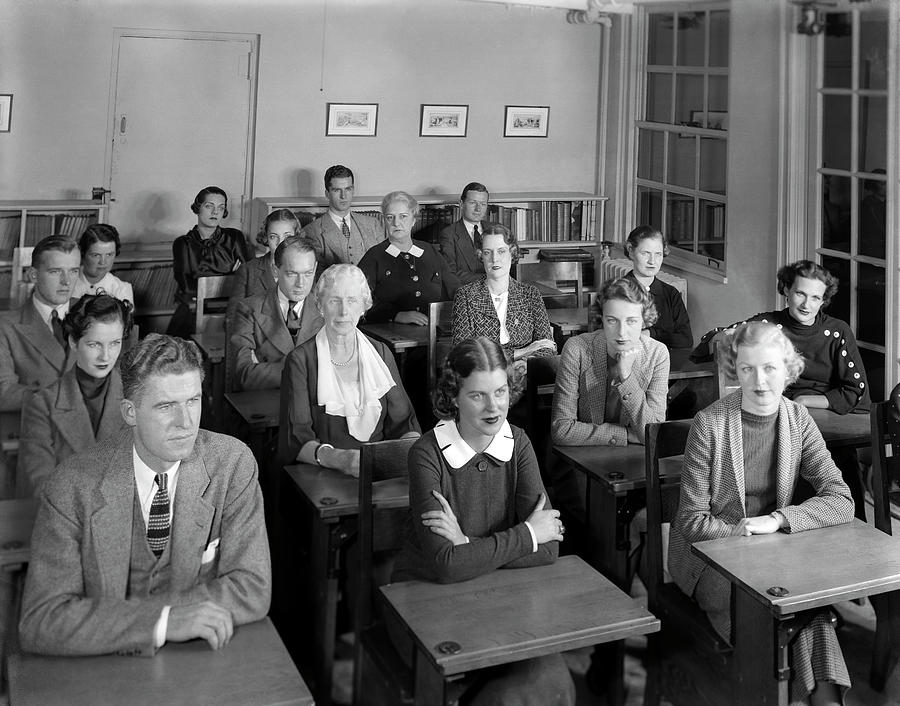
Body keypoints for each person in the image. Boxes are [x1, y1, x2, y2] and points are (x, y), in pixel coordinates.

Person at [19, 334, 271, 656]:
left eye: (192, 401)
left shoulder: (232, 465)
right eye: (166, 406)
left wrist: (115, 620)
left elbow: (252, 588)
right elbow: (43, 619)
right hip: (102, 668)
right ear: (129, 413)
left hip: (198, 658)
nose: (186, 422)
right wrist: (162, 621)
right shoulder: (71, 486)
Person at [670, 322, 853, 706]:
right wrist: (742, 534)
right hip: (713, 560)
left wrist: (778, 520)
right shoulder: (710, 424)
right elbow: (690, 522)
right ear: (734, 371)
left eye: (770, 368)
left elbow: (841, 499)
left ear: (788, 371)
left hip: (774, 554)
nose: (759, 381)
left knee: (810, 612)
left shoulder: (798, 418)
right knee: (778, 616)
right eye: (747, 369)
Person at [392, 337, 572, 705]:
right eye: (478, 396)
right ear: (453, 396)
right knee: (506, 693)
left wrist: (468, 548)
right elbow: (444, 565)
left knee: (552, 680)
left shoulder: (518, 443)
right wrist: (526, 534)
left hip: (499, 596)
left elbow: (550, 547)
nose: (494, 408)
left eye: (501, 392)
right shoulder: (426, 454)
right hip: (426, 600)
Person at [699, 260, 870, 518]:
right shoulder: (768, 325)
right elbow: (711, 341)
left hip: (825, 420)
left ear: (824, 300)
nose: (806, 304)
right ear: (786, 290)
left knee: (840, 465)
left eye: (815, 297)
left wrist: (805, 400)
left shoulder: (837, 332)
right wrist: (725, 337)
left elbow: (856, 391)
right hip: (773, 417)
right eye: (800, 293)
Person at [278, 264, 420, 476]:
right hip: (323, 475)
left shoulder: (381, 352)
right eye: (334, 300)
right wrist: (341, 460)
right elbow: (296, 440)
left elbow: (404, 424)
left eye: (352, 300)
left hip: (380, 474)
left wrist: (413, 451)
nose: (344, 311)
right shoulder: (300, 361)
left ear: (364, 306)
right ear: (320, 305)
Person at [18, 294, 133, 498]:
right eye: (94, 344)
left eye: (114, 343)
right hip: (66, 521)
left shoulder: (135, 396)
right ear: (73, 342)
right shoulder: (42, 404)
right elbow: (41, 488)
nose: (105, 356)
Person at [551, 277, 670, 448]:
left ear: (644, 321)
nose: (622, 332)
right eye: (612, 321)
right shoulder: (576, 348)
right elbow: (561, 431)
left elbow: (655, 435)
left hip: (634, 461)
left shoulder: (657, 354)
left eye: (631, 321)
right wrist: (626, 434)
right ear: (602, 319)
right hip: (581, 459)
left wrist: (626, 376)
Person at [451, 223, 555, 372]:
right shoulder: (466, 296)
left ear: (512, 253)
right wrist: (519, 353)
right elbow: (462, 354)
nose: (495, 259)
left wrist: (526, 363)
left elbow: (547, 345)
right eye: (488, 252)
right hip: (483, 376)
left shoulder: (531, 294)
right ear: (481, 255)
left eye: (501, 251)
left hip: (525, 374)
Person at [230, 236, 323, 391]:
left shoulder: (326, 309)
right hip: (266, 405)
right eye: (292, 274)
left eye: (308, 273)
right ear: (275, 269)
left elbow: (341, 371)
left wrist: (265, 369)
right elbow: (244, 374)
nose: (301, 284)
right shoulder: (249, 309)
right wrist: (309, 370)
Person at [0, 234, 79, 413]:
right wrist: (61, 397)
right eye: (56, 271)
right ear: (33, 275)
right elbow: (4, 394)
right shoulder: (5, 326)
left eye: (73, 271)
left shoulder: (95, 314)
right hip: (34, 431)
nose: (66, 281)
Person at [358, 190, 459, 324]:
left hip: (433, 328)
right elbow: (358, 299)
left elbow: (454, 287)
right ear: (384, 221)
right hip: (388, 332)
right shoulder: (374, 256)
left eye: (403, 216)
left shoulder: (429, 251)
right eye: (390, 217)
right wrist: (395, 315)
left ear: (414, 220)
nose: (396, 223)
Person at [167, 186, 248, 338]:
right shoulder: (183, 243)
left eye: (221, 207)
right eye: (209, 206)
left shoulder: (235, 237)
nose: (215, 212)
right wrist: (230, 277)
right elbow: (187, 287)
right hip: (194, 309)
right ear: (198, 208)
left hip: (232, 308)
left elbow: (247, 278)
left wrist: (204, 280)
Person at [299, 165, 382, 268]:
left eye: (348, 189)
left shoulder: (373, 224)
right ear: (327, 194)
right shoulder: (311, 232)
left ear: (353, 190)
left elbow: (384, 265)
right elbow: (315, 275)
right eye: (337, 190)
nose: (343, 196)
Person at [624, 225, 692, 349]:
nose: (652, 261)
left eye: (658, 254)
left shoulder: (671, 293)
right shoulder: (615, 292)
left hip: (667, 365)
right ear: (630, 250)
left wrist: (651, 334)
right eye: (645, 253)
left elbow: (686, 339)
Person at [230, 208, 301, 301]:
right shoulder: (248, 270)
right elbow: (234, 313)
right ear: (266, 238)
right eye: (273, 237)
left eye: (287, 236)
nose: (280, 243)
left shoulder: (306, 270)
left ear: (296, 237)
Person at [69, 224, 134, 304]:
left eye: (109, 255)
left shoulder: (122, 290)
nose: (103, 262)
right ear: (83, 253)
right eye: (96, 255)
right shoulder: (66, 282)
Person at [439, 182, 489, 284]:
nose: (478, 209)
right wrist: (490, 280)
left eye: (483, 204)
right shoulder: (449, 234)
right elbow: (451, 273)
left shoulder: (496, 230)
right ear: (461, 204)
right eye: (473, 203)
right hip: (466, 292)